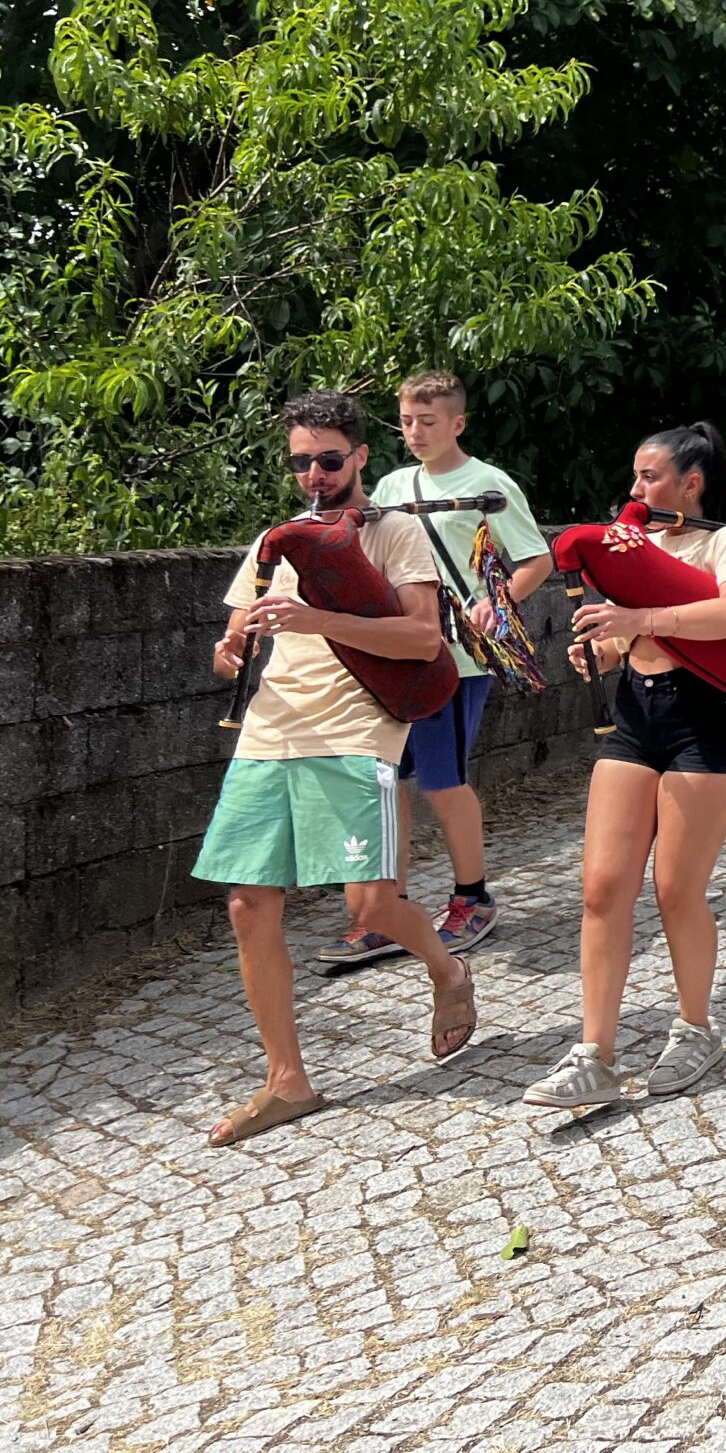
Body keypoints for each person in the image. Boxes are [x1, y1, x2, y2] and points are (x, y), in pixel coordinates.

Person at [196, 392, 477, 1146]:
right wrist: (228, 652)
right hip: (269, 734)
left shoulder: (394, 536)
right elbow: (235, 635)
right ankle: (287, 1080)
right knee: (248, 906)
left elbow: (422, 639)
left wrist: (320, 620)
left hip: (357, 733)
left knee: (369, 908)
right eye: (302, 461)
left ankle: (447, 971)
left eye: (328, 459)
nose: (314, 474)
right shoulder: (273, 541)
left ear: (359, 458)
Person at [524, 423, 726, 1109]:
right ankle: (593, 1053)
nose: (635, 491)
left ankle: (696, 1028)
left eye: (650, 477)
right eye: (634, 476)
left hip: (706, 721)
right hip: (636, 714)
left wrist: (642, 620)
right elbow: (629, 638)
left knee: (675, 891)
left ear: (692, 483)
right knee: (602, 888)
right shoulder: (636, 546)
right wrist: (601, 650)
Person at [323, 370, 553, 966]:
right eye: (406, 421)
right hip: (395, 655)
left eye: (428, 422)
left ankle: (473, 898)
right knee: (388, 782)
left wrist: (497, 603)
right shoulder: (394, 484)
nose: (416, 432)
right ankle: (389, 910)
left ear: (458, 423)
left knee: (442, 781)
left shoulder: (488, 483)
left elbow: (535, 558)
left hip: (455, 660)